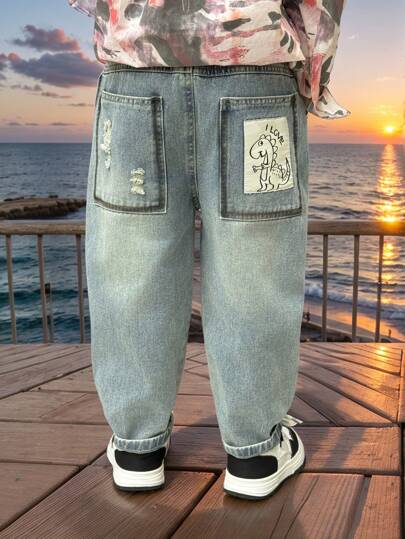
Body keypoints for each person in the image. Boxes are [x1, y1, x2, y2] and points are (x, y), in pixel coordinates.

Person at [68, 0, 349, 500]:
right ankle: (256, 452)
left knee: (131, 269)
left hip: (134, 75)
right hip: (256, 74)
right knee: (255, 271)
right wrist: (315, 75)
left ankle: (136, 447)